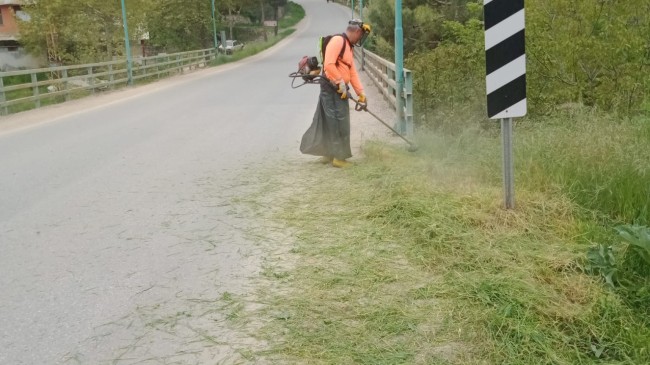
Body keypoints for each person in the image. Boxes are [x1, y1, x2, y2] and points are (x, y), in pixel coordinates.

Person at [299, 19, 371, 168]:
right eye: (361, 35)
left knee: (328, 121)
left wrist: (360, 92)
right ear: (357, 32)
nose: (360, 39)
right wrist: (340, 83)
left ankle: (329, 153)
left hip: (338, 88)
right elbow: (329, 65)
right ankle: (339, 158)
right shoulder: (338, 41)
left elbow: (351, 71)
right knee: (338, 121)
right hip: (331, 88)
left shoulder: (348, 47)